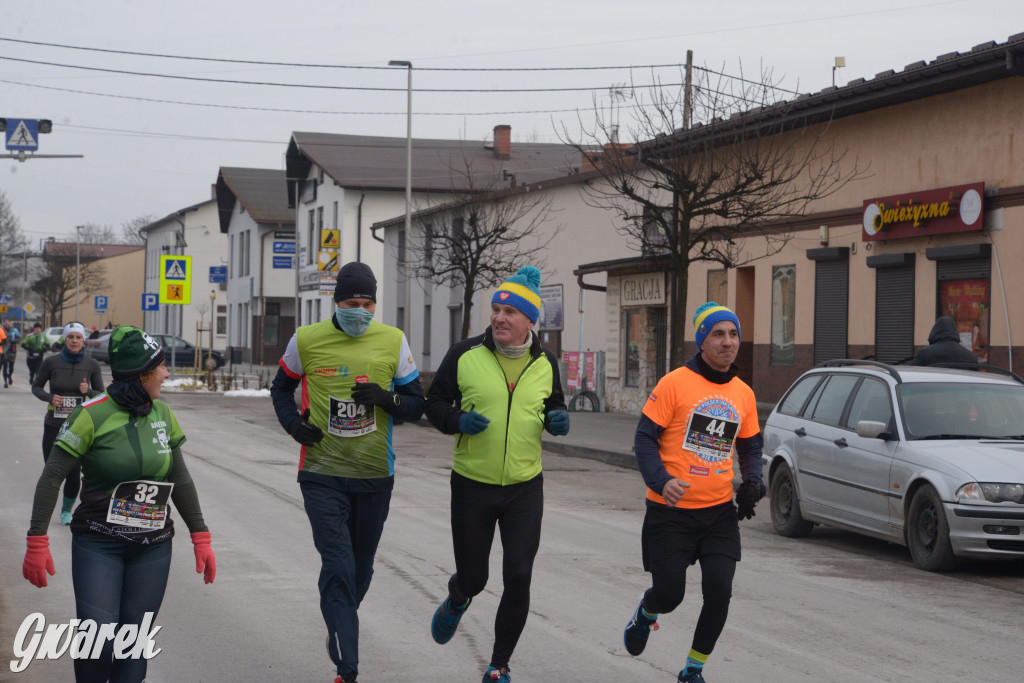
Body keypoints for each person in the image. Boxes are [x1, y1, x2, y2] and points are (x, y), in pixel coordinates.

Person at [21, 325, 216, 683]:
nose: (167, 373)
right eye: (161, 367)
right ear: (142, 374)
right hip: (99, 542)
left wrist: (200, 536)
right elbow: (52, 476)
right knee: (98, 639)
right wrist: (37, 540)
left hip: (153, 545)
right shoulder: (91, 414)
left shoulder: (162, 413)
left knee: (133, 644)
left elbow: (181, 478)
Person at [270, 262, 424, 683]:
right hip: (321, 472)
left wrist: (386, 398)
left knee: (360, 569)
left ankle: (339, 624)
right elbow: (280, 388)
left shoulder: (393, 340)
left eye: (367, 304)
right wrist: (293, 424)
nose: (360, 311)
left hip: (374, 474)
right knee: (338, 564)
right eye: (352, 303)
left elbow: (415, 405)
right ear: (336, 301)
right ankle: (348, 666)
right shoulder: (306, 339)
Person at [425, 266, 569, 683]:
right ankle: (458, 597)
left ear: (529, 321)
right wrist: (457, 420)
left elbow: (553, 406)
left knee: (519, 576)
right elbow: (434, 404)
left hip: (525, 487)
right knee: (475, 578)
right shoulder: (464, 354)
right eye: (496, 309)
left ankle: (498, 665)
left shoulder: (545, 362)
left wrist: (557, 419)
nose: (499, 318)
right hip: (472, 484)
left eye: (510, 312)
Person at [622, 302, 765, 683]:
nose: (727, 342)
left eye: (733, 334)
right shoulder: (674, 384)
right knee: (669, 596)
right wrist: (661, 481)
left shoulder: (743, 394)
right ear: (702, 340)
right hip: (670, 514)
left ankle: (693, 669)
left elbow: (750, 447)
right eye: (718, 334)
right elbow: (644, 439)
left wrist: (753, 483)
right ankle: (646, 613)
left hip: (718, 513)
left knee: (719, 591)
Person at [31, 322, 105, 525]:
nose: (74, 341)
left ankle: (66, 511)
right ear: (65, 339)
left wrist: (88, 392)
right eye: (71, 337)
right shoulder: (51, 362)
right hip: (54, 425)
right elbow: (36, 387)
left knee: (73, 474)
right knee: (52, 472)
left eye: (78, 337)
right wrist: (49, 397)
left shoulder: (91, 365)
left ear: (83, 340)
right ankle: (44, 512)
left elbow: (102, 395)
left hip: (79, 427)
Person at [909, 316, 979, 366]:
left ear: (935, 331)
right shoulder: (971, 357)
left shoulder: (924, 354)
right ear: (955, 331)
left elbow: (912, 375)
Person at [1, 319, 17, 387]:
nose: (7, 325)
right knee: (5, 367)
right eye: (6, 324)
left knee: (11, 367)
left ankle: (9, 375)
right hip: (4, 351)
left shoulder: (14, 331)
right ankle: (5, 382)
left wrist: (15, 341)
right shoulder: (2, 331)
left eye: (9, 324)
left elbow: (19, 338)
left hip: (12, 350)